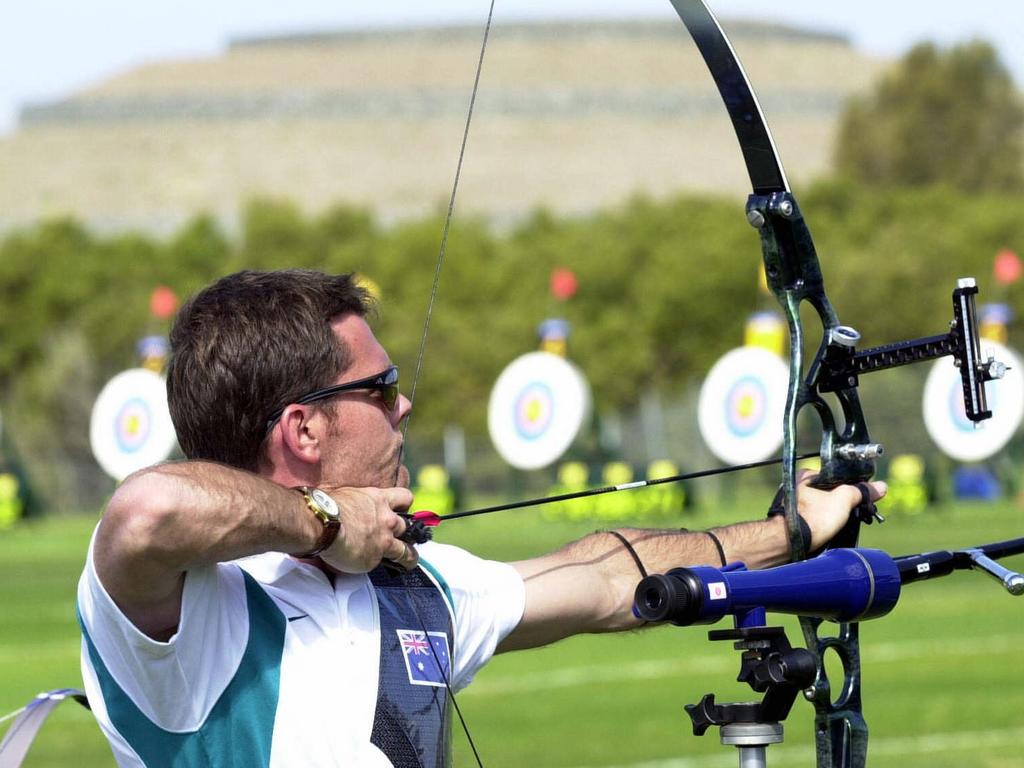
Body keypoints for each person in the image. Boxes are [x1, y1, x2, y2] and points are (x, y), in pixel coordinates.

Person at [77, 269, 885, 767]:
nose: (405, 404)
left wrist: (792, 532)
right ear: (304, 429)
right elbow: (146, 513)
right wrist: (326, 520)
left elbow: (606, 575)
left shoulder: (411, 585)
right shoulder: (192, 616)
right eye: (380, 387)